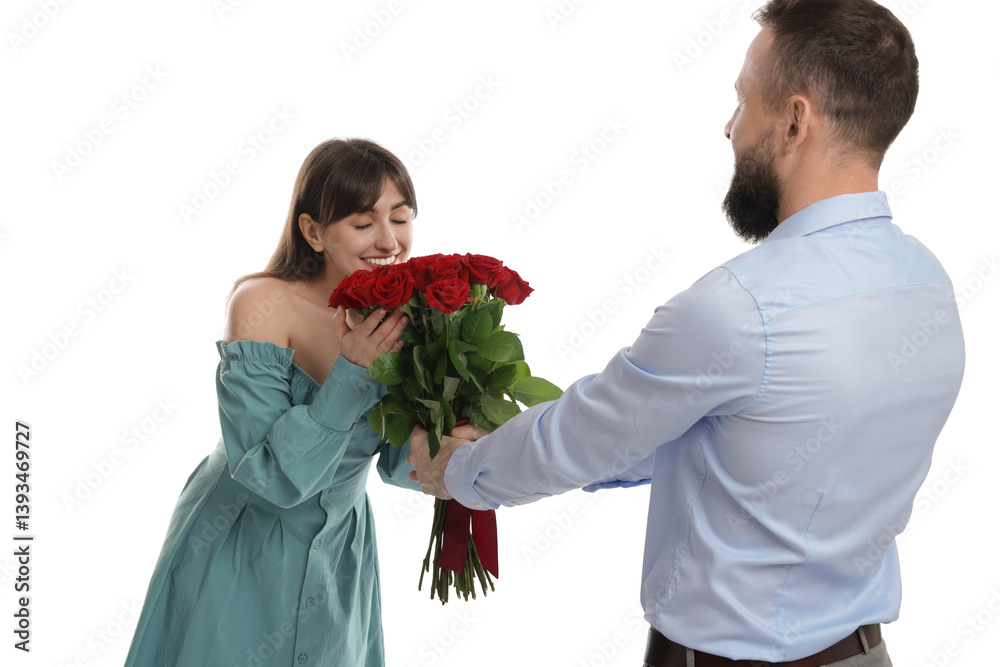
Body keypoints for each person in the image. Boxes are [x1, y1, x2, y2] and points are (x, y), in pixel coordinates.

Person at [407, 1, 965, 666]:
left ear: (795, 121)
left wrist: (459, 470)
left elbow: (587, 436)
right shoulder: (930, 286)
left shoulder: (738, 309)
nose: (730, 126)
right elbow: (741, 439)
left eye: (743, 100)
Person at [124, 138, 421, 667]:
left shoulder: (407, 313)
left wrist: (472, 447)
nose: (389, 240)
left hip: (339, 549)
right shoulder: (263, 303)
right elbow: (270, 480)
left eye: (400, 218)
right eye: (363, 223)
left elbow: (400, 463)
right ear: (313, 231)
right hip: (241, 538)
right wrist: (352, 372)